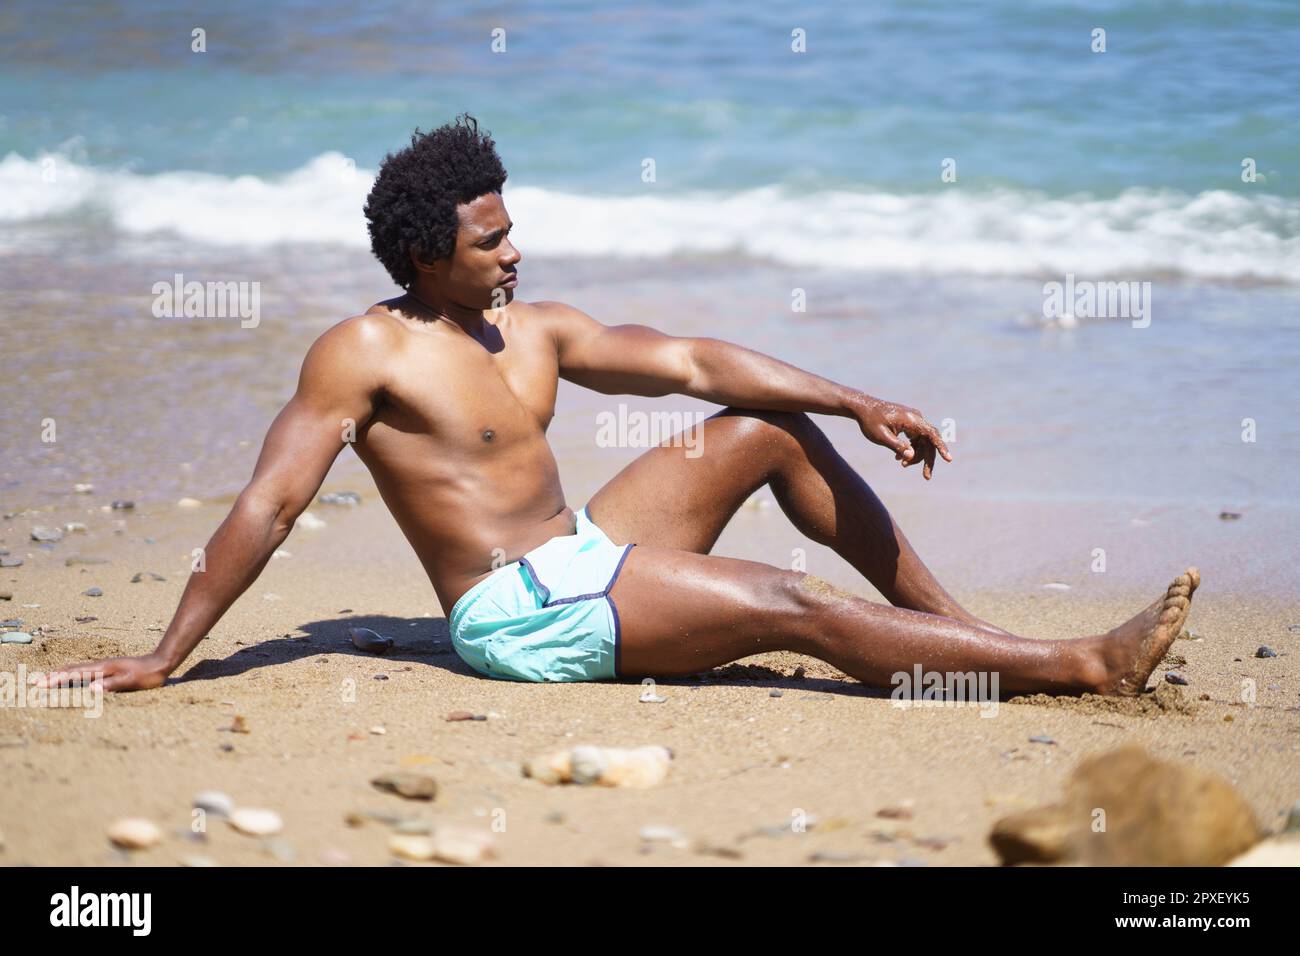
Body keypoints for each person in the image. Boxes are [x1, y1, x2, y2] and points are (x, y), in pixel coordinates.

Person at [36, 114, 1198, 696]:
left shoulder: (531, 328)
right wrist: (164, 653)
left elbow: (690, 360)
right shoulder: (361, 352)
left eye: (511, 228)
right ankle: (1075, 666)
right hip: (514, 612)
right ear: (422, 252)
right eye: (489, 240)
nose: (513, 252)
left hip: (582, 552)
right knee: (782, 601)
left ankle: (976, 644)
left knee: (765, 432)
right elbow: (271, 502)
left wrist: (855, 399)